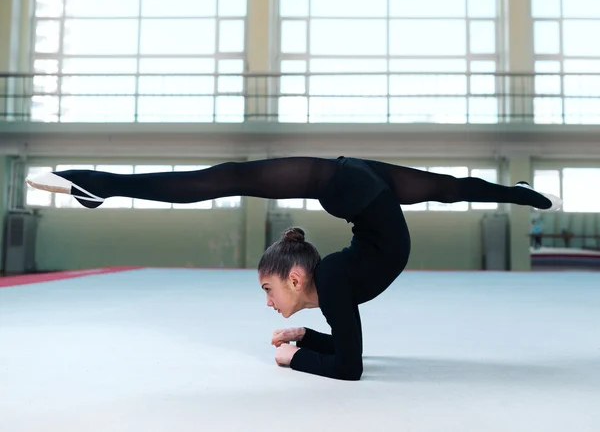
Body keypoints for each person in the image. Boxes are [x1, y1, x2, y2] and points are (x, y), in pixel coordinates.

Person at [26, 156, 562, 381]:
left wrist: (293, 359)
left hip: (357, 190)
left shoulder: (336, 282)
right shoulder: (333, 283)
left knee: (229, 178)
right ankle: (511, 192)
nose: (268, 301)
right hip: (357, 186)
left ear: (295, 276)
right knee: (444, 190)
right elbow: (350, 356)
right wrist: (305, 337)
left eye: (267, 289)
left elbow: (349, 367)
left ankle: (98, 183)